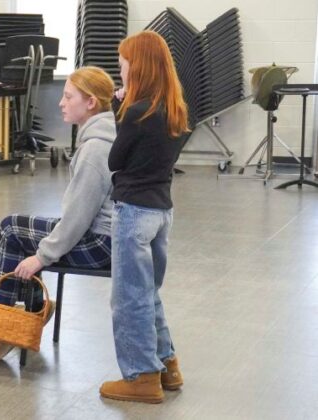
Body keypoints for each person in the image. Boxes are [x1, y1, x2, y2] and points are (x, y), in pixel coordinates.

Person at [0, 66, 117, 361]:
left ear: (91, 102)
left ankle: (8, 324)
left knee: (10, 230)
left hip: (100, 245)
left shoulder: (95, 150)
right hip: (104, 238)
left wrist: (42, 257)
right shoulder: (104, 137)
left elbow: (77, 218)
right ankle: (33, 311)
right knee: (14, 227)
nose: (61, 103)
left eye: (68, 96)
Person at [99, 30, 190, 404]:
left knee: (128, 299)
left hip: (134, 211)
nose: (120, 70)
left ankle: (141, 377)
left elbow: (115, 160)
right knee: (148, 292)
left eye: (123, 63)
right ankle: (168, 365)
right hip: (161, 210)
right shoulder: (176, 110)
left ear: (138, 67)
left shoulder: (136, 113)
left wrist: (120, 110)